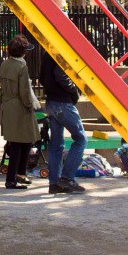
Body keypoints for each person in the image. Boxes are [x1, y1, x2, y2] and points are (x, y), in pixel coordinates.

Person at [40, 50, 87, 195]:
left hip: (51, 102)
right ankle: (67, 178)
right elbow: (61, 75)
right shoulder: (62, 50)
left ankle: (54, 183)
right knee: (81, 139)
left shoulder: (48, 52)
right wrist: (74, 91)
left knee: (56, 144)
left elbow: (42, 77)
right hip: (63, 103)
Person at [0, 34, 39, 190]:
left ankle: (20, 174)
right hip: (20, 106)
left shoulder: (5, 64)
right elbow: (24, 91)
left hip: (7, 104)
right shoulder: (22, 67)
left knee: (19, 141)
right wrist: (30, 105)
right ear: (22, 52)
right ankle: (12, 179)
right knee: (21, 142)